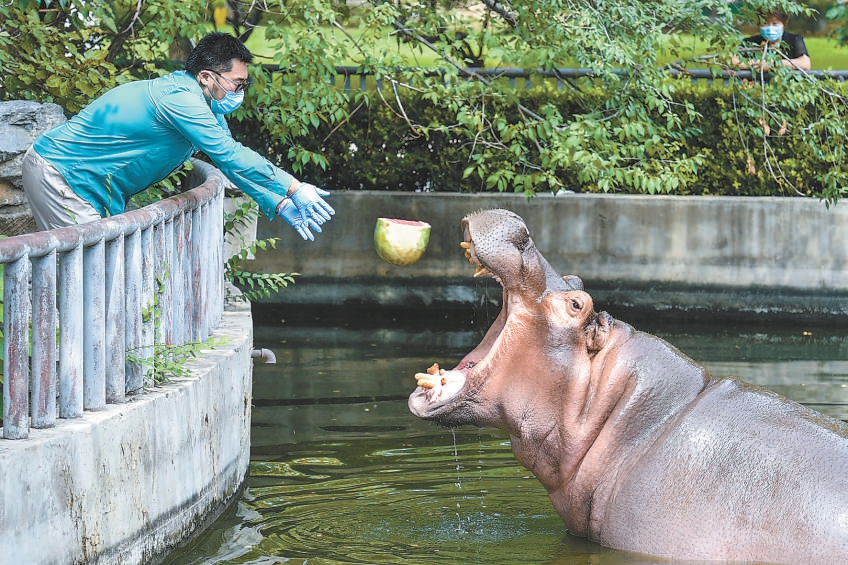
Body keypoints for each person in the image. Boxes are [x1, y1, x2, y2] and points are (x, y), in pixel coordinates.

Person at [21, 32, 334, 240]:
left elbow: (230, 162)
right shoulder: (180, 98)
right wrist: (294, 187)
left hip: (80, 181)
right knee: (97, 275)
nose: (241, 91)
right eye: (238, 83)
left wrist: (278, 202)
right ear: (207, 77)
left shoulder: (206, 105)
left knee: (96, 276)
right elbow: (230, 153)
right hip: (59, 174)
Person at [735, 10, 811, 71]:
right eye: (765, 23)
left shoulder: (794, 40)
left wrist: (773, 64)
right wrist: (759, 63)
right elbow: (733, 61)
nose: (770, 27)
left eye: (775, 24)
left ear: (783, 25)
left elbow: (805, 63)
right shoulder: (750, 42)